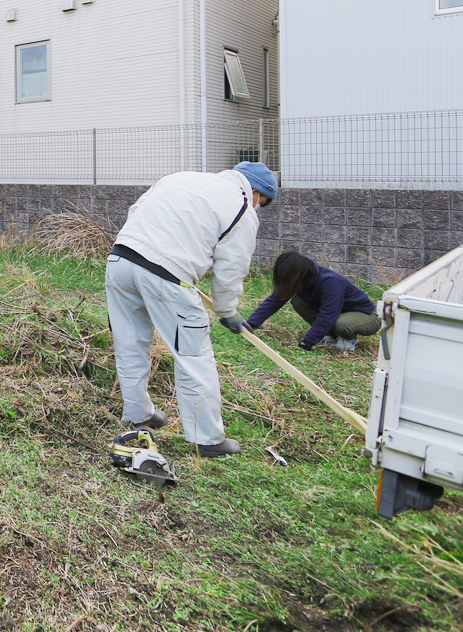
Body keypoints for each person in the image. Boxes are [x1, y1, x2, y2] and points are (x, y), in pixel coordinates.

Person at [105, 161, 277, 457]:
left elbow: (136, 212)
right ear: (257, 192)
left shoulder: (181, 177)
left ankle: (138, 415)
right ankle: (207, 439)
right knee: (193, 355)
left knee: (130, 342)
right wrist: (227, 310)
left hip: (121, 260)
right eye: (263, 202)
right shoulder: (242, 206)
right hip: (166, 276)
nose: (259, 207)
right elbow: (232, 266)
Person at [245, 251, 380, 351]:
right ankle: (331, 336)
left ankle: (349, 340)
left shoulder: (330, 282)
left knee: (341, 324)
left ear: (297, 275)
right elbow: (275, 300)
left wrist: (308, 341)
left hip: (366, 316)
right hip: (338, 314)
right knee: (298, 301)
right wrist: (251, 324)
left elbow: (328, 314)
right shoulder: (300, 281)